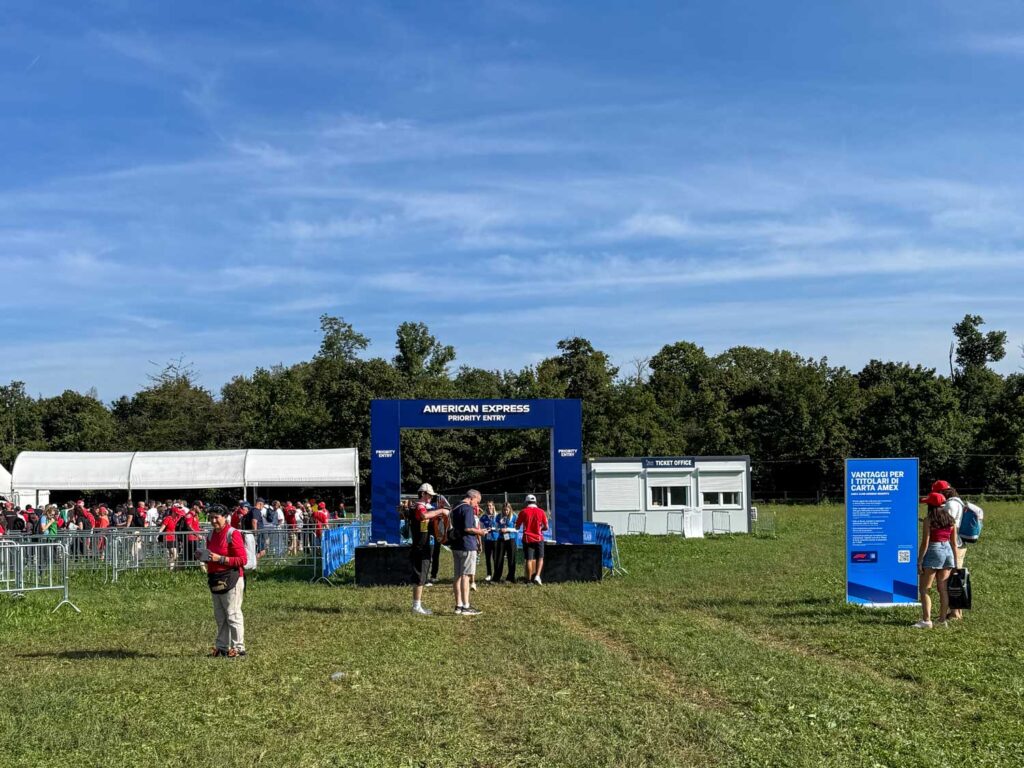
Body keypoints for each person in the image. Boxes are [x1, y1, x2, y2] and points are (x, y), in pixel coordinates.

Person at [200, 505, 248, 658]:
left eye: (216, 517)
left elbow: (242, 560)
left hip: (232, 578)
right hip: (215, 578)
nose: (213, 520)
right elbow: (211, 556)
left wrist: (219, 558)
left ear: (225, 517)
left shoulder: (232, 533)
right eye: (211, 517)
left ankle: (238, 649)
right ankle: (222, 647)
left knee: (233, 614)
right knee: (220, 616)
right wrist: (202, 556)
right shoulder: (210, 535)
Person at [914, 491, 960, 629]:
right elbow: (954, 543)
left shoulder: (929, 520)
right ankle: (942, 620)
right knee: (943, 589)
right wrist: (956, 563)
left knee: (924, 589)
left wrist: (920, 561)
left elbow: (925, 543)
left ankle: (927, 621)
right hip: (948, 553)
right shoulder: (951, 520)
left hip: (934, 551)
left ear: (930, 506)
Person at [406, 483, 450, 615]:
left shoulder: (423, 506)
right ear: (423, 494)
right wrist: (441, 511)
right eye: (429, 495)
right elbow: (424, 515)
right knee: (420, 576)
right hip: (420, 547)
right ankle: (416, 607)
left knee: (422, 576)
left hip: (423, 546)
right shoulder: (419, 507)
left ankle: (417, 605)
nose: (431, 498)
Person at [933, 480, 968, 621]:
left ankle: (955, 613)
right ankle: (957, 612)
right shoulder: (958, 501)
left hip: (954, 544)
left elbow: (947, 524)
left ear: (942, 493)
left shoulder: (950, 504)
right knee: (955, 576)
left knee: (952, 579)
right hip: (960, 543)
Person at [448, 489, 485, 615]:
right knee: (466, 575)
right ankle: (466, 606)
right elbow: (468, 528)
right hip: (467, 545)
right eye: (477, 502)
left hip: (456, 545)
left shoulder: (455, 507)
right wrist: (480, 532)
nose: (477, 505)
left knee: (457, 575)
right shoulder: (468, 508)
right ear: (472, 497)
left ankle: (458, 605)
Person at [516, 494, 549, 585]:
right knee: (540, 558)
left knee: (529, 560)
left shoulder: (523, 512)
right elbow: (546, 527)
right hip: (539, 538)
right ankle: (537, 576)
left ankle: (529, 580)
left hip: (527, 538)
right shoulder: (541, 511)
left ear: (526, 502)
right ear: (535, 502)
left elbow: (517, 526)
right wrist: (540, 529)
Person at [494, 502, 518, 583]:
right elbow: (496, 528)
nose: (505, 512)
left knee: (511, 558)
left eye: (507, 510)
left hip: (511, 539)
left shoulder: (514, 516)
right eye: (504, 510)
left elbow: (517, 529)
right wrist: (499, 530)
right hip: (501, 539)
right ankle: (496, 577)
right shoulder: (498, 516)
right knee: (499, 559)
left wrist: (507, 529)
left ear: (510, 509)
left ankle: (511, 577)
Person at [480, 500, 499, 583]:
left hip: (496, 539)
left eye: (490, 505)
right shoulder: (483, 517)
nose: (489, 507)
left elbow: (500, 527)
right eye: (487, 506)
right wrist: (485, 530)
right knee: (488, 558)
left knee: (496, 558)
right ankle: (489, 574)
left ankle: (496, 574)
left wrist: (493, 529)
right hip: (487, 540)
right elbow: (480, 528)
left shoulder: (498, 516)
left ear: (493, 506)